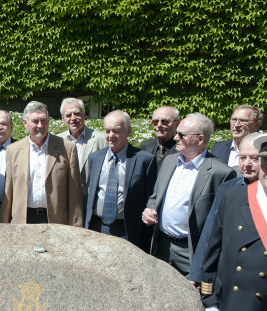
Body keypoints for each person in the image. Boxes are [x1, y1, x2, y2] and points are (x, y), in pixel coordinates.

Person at [200, 133, 267, 311]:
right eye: (265, 164)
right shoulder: (234, 197)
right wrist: (209, 298)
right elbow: (212, 249)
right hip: (237, 309)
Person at [142, 113, 236, 276]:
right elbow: (155, 197)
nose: (175, 138)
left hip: (191, 251)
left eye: (181, 135)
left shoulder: (220, 172)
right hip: (161, 245)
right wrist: (149, 210)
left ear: (200, 139)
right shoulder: (169, 161)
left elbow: (222, 222)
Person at [188, 132, 261, 285]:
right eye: (242, 157)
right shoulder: (228, 188)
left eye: (254, 158)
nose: (247, 164)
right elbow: (210, 233)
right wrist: (197, 274)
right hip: (231, 276)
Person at [0, 101, 83, 226]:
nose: (40, 125)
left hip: (55, 221)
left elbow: (74, 195)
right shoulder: (13, 150)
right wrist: (4, 226)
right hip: (23, 221)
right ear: (25, 123)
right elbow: (8, 192)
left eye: (44, 120)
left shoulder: (67, 148)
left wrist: (76, 229)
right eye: (35, 121)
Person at [85, 110, 157, 251]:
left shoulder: (144, 160)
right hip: (96, 227)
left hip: (126, 230)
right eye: (107, 131)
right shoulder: (95, 157)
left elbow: (151, 195)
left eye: (116, 131)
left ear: (128, 131)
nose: (111, 135)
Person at [56, 97, 107, 210]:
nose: (73, 118)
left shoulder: (101, 139)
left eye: (77, 114)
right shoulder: (56, 141)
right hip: (65, 203)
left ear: (84, 115)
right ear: (63, 119)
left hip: (92, 203)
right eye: (68, 115)